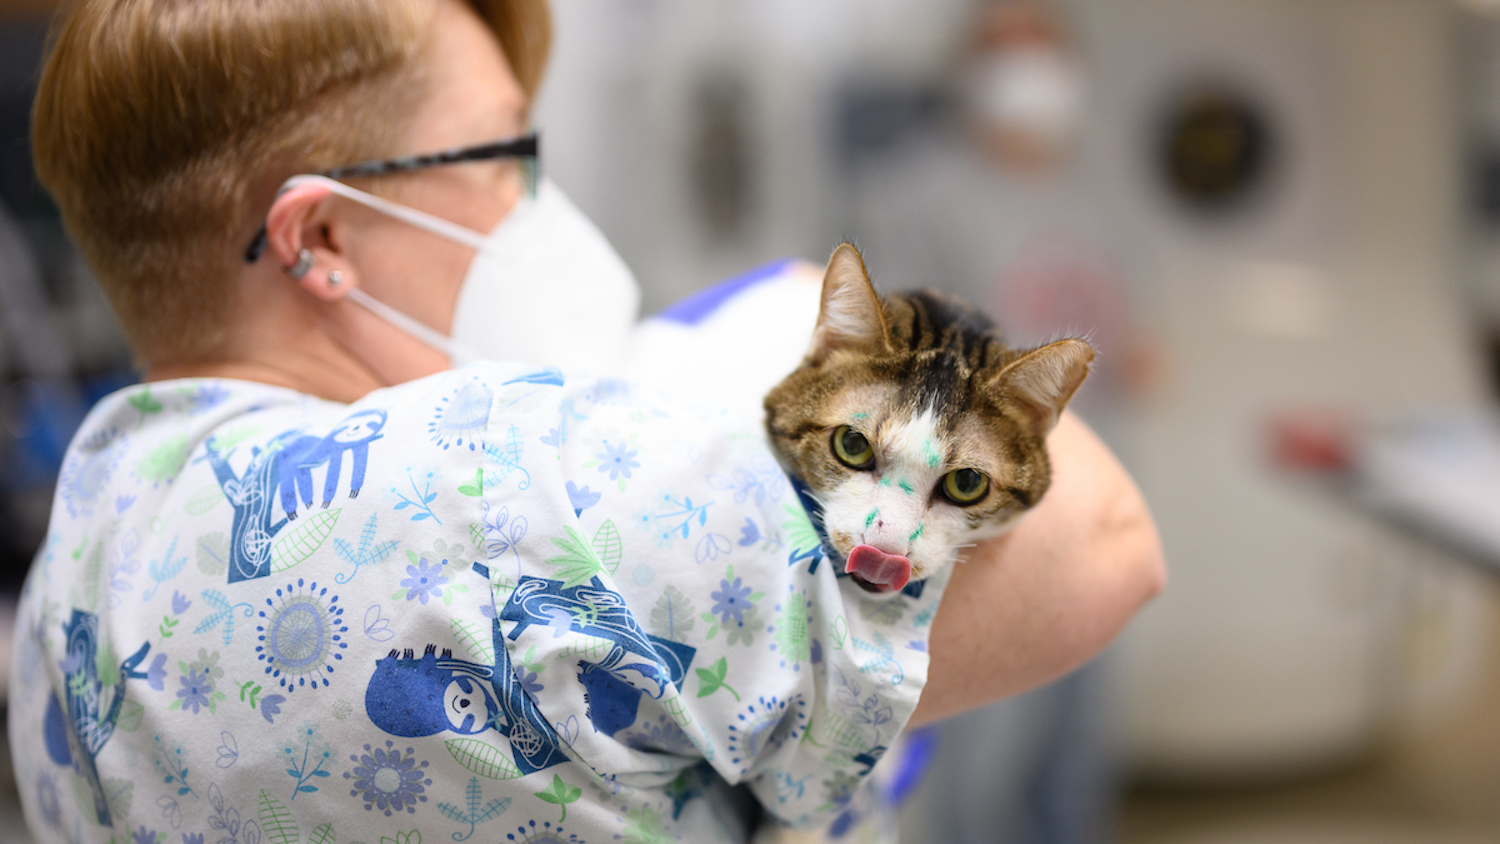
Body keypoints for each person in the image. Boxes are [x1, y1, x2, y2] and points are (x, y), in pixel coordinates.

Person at [10, 1, 1164, 842]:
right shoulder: (528, 480)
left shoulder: (67, 576)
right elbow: (1107, 539)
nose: (540, 206)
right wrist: (802, 314)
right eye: (509, 156)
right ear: (319, 239)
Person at [854, 3, 1154, 841]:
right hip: (980, 538)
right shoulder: (917, 194)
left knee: (1073, 751)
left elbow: (1135, 348)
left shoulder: (1096, 197)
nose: (1027, 72)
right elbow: (903, 371)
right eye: (1004, 50)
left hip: (1095, 516)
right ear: (968, 69)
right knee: (978, 763)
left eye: (1041, 50)